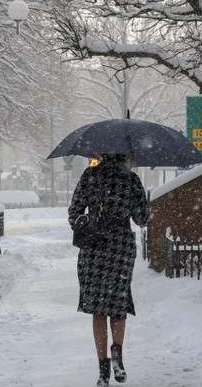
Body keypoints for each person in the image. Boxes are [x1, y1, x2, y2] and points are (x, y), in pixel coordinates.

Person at [68, 153, 150, 387]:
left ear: (101, 154)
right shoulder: (131, 179)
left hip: (94, 247)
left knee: (98, 309)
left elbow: (74, 214)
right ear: (125, 155)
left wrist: (90, 220)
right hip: (120, 248)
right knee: (118, 304)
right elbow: (142, 219)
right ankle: (117, 356)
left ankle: (103, 372)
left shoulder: (90, 176)